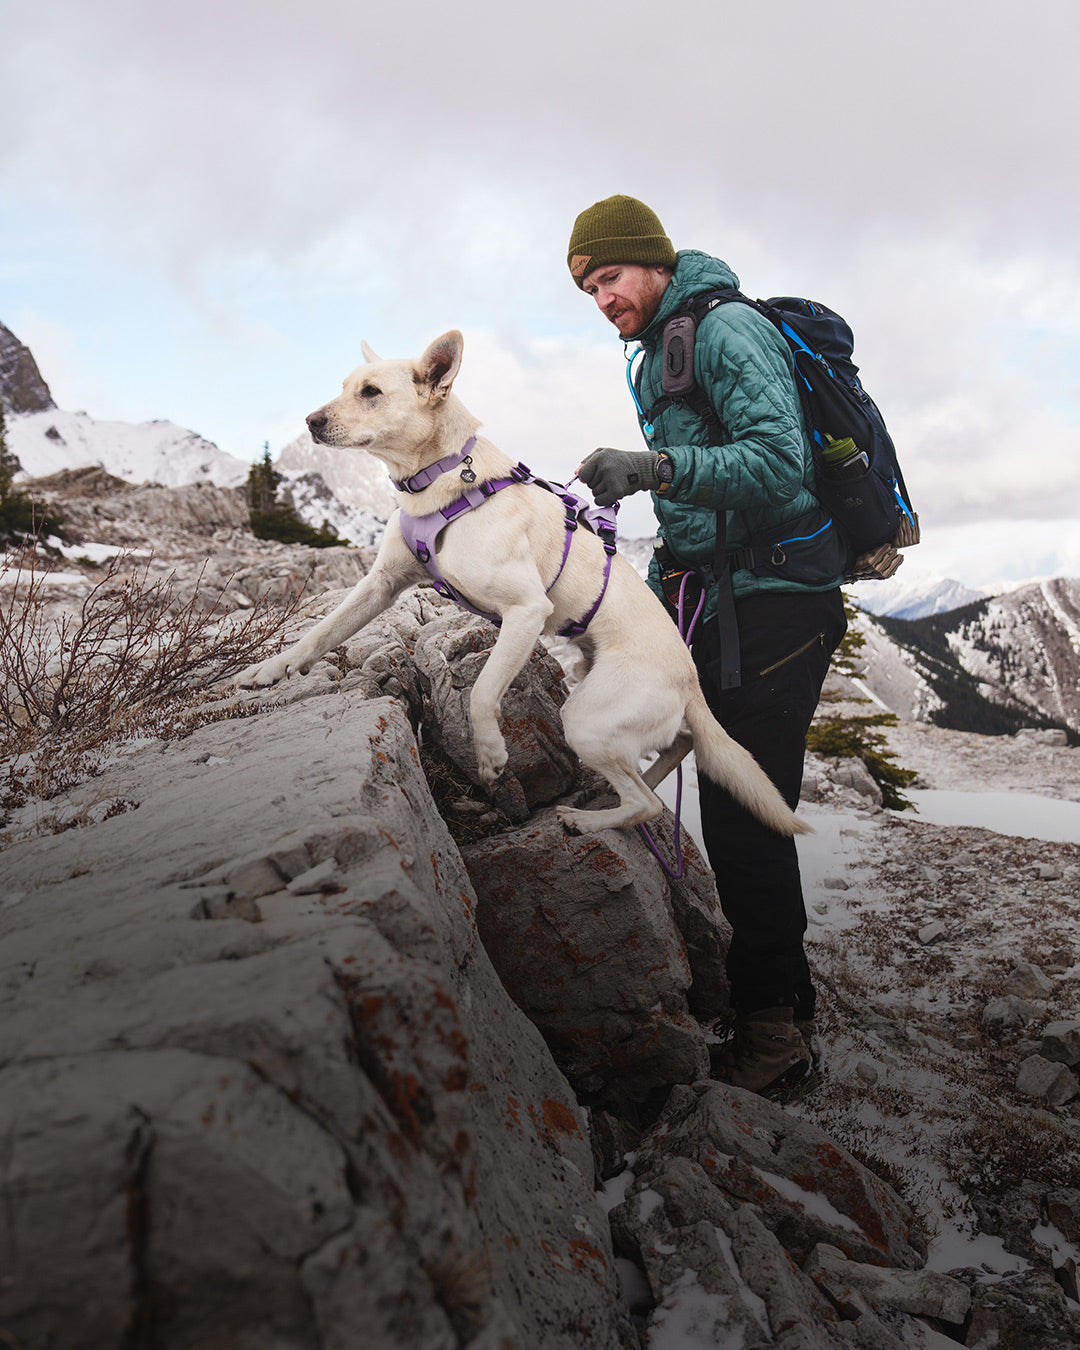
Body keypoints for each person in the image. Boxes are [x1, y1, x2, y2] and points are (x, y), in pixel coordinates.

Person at [568, 194, 847, 1098]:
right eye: (586, 287)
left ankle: (776, 1036)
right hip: (721, 602)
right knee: (737, 810)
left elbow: (779, 463)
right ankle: (782, 1001)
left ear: (651, 261)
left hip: (776, 609)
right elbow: (696, 516)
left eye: (608, 276)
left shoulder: (723, 331)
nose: (601, 298)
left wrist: (654, 469)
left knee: (743, 814)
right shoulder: (658, 350)